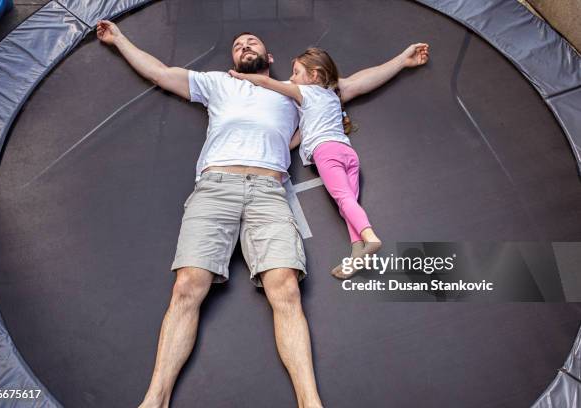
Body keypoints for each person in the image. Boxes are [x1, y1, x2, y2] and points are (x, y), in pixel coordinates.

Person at [96, 18, 426, 407]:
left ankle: (310, 403)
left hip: (269, 191)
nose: (244, 46)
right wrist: (119, 40)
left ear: (269, 57)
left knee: (285, 288)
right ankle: (155, 400)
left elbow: (352, 84)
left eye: (251, 42)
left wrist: (401, 60)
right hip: (215, 187)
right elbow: (163, 73)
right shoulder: (218, 83)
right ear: (234, 59)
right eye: (238, 45)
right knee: (187, 286)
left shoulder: (297, 92)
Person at [229, 45, 429, 279]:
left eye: (295, 72)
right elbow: (305, 132)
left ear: (313, 76)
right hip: (347, 152)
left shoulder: (305, 93)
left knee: (344, 200)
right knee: (349, 205)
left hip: (326, 152)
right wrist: (281, 146)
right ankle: (357, 254)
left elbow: (269, 84)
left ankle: (370, 237)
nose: (292, 78)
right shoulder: (331, 96)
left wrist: (241, 76)